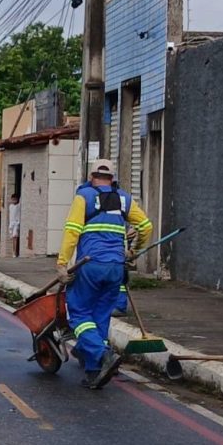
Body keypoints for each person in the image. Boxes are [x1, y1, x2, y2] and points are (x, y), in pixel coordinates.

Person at [56, 159, 153, 389]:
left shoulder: (85, 197)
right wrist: (133, 252)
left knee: (78, 314)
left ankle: (102, 354)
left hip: (90, 265)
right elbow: (146, 226)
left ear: (91, 176)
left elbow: (72, 231)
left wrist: (61, 263)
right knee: (100, 317)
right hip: (116, 268)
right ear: (113, 179)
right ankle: (94, 371)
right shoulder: (125, 199)